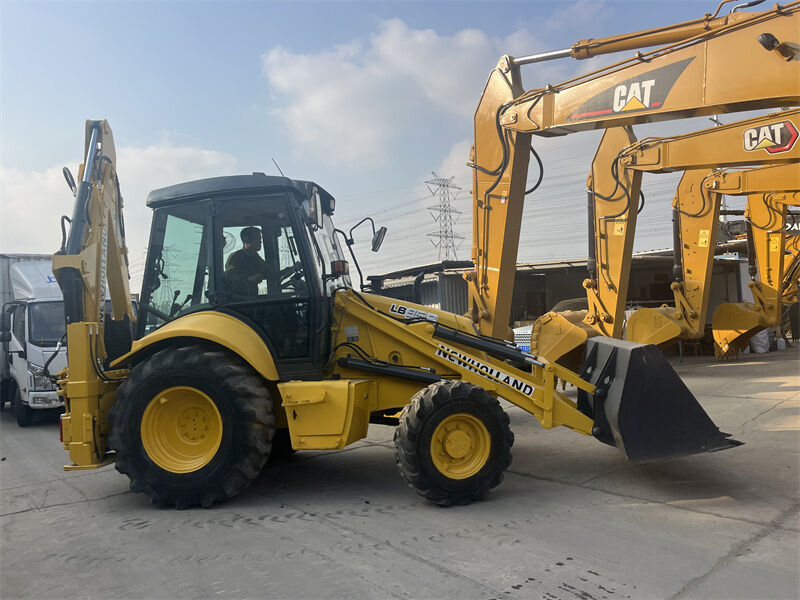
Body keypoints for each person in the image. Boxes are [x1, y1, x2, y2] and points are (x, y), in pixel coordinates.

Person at [225, 227, 267, 295]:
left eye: (260, 239)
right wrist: (248, 278)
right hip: (239, 300)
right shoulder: (235, 257)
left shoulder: (256, 257)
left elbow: (266, 270)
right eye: (256, 239)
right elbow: (230, 276)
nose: (260, 241)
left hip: (252, 297)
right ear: (246, 240)